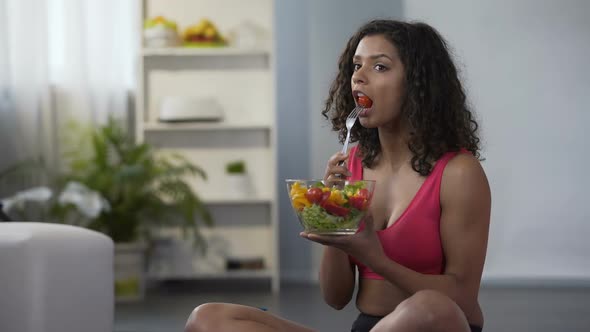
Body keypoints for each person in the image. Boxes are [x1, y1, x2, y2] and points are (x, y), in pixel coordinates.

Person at [184, 19, 491, 332]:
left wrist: (375, 258)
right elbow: (335, 297)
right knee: (207, 318)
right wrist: (334, 224)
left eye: (380, 67)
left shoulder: (459, 173)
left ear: (419, 83)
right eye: (356, 66)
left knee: (430, 308)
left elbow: (463, 301)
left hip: (436, 325)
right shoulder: (354, 163)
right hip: (370, 327)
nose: (359, 76)